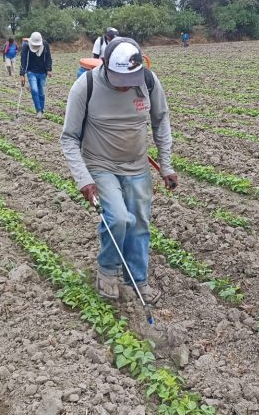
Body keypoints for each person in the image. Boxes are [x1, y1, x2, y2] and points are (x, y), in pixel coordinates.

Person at [60, 37, 177, 304]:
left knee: (139, 224)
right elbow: (69, 137)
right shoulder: (85, 86)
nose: (125, 87)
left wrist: (166, 165)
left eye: (130, 80)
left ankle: (137, 280)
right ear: (104, 64)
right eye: (119, 80)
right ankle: (107, 272)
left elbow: (161, 121)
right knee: (118, 219)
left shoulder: (148, 81)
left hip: (137, 165)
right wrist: (83, 179)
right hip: (100, 165)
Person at [19, 32, 52, 119]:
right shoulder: (26, 46)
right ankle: (38, 111)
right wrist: (22, 74)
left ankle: (41, 109)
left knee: (41, 91)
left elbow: (48, 56)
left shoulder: (45, 44)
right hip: (31, 71)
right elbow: (23, 60)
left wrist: (49, 69)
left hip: (42, 72)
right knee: (34, 90)